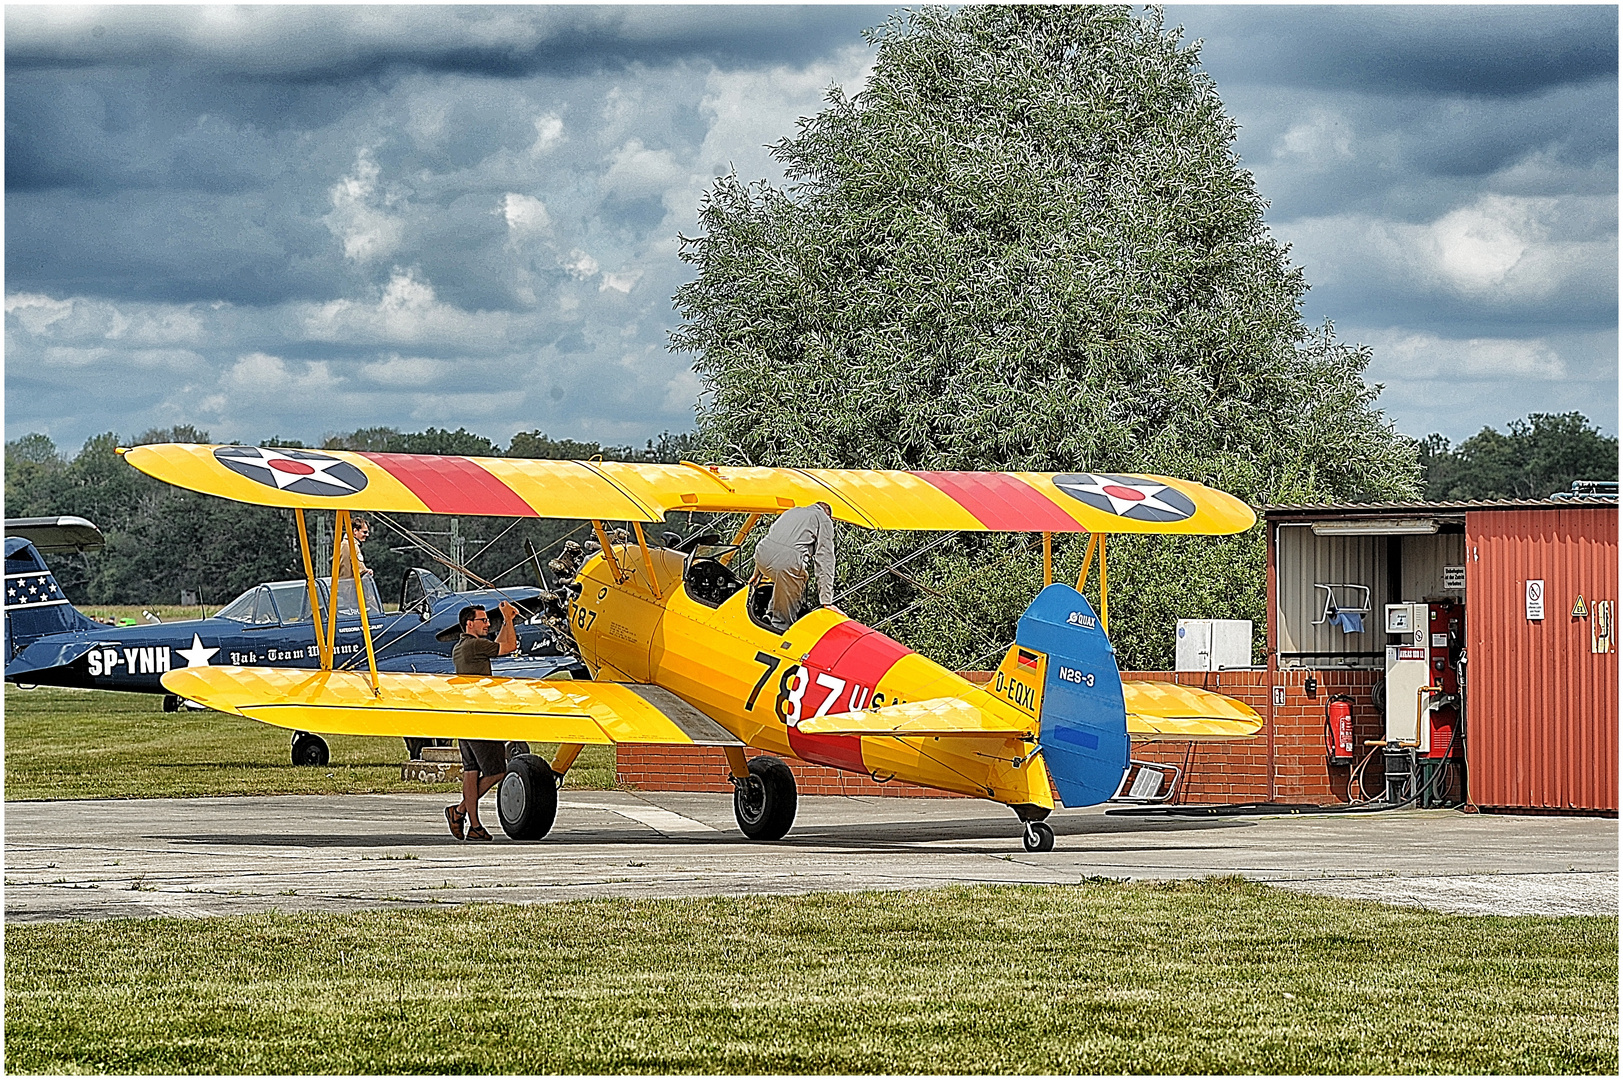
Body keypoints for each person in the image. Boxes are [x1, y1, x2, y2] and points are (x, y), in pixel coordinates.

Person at [444, 600, 518, 841]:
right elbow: (509, 647)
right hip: (479, 714)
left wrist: (508, 620)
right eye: (483, 621)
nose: (487, 624)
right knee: (497, 770)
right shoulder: (475, 646)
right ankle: (460, 811)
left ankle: (474, 825)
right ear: (469, 624)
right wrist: (507, 619)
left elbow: (498, 645)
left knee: (471, 770)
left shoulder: (463, 647)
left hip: (463, 714)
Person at [751, 501, 836, 631]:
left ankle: (769, 614)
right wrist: (826, 601)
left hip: (761, 555)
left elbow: (775, 539)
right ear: (827, 513)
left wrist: (757, 572)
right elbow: (825, 560)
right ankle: (777, 627)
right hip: (786, 563)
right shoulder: (824, 520)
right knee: (792, 593)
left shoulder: (792, 511)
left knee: (783, 584)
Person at [335, 515, 373, 581]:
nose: (367, 535)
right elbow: (360, 569)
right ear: (355, 531)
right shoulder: (352, 545)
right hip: (349, 586)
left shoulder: (343, 544)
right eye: (364, 532)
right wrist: (367, 571)